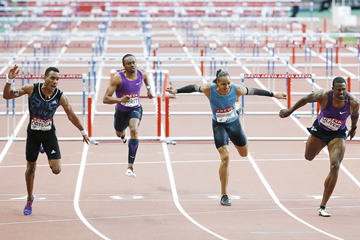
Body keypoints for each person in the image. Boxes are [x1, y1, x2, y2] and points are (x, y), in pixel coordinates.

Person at [166, 69, 287, 206]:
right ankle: (224, 195)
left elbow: (254, 91)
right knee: (225, 157)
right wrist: (176, 91)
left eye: (228, 83)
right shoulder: (208, 89)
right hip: (219, 125)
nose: (227, 86)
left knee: (244, 153)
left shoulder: (237, 89)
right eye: (224, 84)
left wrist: (273, 94)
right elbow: (193, 88)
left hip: (233, 124)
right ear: (217, 84)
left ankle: (237, 113)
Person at [2, 64, 90, 215]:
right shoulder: (31, 89)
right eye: (52, 78)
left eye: (57, 79)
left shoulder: (60, 96)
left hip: (49, 134)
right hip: (33, 135)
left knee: (57, 170)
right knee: (31, 168)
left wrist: (83, 131)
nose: (55, 81)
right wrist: (9, 80)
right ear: (45, 78)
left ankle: (45, 148)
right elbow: (7, 96)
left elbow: (71, 114)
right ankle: (30, 198)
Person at [279, 77, 359, 217]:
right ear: (332, 89)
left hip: (338, 134)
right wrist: (290, 110)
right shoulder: (323, 95)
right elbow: (305, 99)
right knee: (308, 157)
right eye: (338, 89)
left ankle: (323, 205)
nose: (341, 92)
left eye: (344, 89)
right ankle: (316, 144)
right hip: (320, 131)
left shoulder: (353, 102)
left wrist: (353, 128)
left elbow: (355, 114)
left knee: (335, 165)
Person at [103, 54, 153, 178]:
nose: (132, 65)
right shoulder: (117, 78)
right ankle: (122, 135)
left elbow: (146, 79)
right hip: (121, 111)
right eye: (129, 63)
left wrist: (148, 89)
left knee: (134, 129)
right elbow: (105, 99)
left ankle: (130, 167)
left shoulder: (142, 73)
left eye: (134, 62)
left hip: (135, 108)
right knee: (119, 132)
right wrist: (120, 100)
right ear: (124, 66)